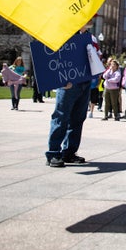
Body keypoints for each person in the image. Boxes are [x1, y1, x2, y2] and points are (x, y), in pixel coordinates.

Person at [46, 23, 101, 167]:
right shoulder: (66, 35)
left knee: (78, 118)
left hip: (85, 81)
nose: (91, 19)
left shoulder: (91, 38)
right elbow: (55, 56)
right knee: (61, 116)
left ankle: (69, 152)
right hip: (69, 82)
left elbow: (95, 59)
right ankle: (53, 153)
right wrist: (61, 79)